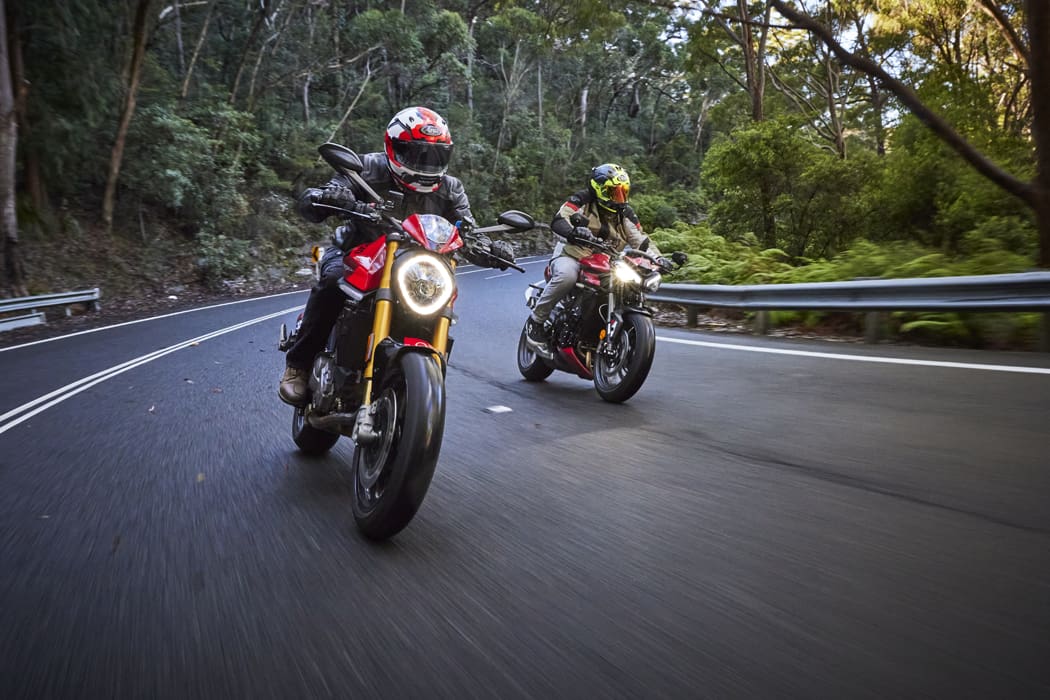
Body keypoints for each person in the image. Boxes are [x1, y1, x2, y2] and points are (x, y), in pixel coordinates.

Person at [279, 106, 513, 405]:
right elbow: (321, 197)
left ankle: (419, 386)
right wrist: (329, 196)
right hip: (356, 252)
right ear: (394, 147)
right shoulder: (365, 169)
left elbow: (465, 228)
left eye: (434, 156)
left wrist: (490, 248)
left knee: (439, 298)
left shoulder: (451, 188)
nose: (424, 163)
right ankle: (298, 365)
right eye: (416, 153)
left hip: (416, 265)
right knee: (334, 281)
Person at [524, 163, 684, 354]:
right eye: (614, 192)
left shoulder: (625, 213)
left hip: (606, 262)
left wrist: (658, 259)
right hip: (572, 254)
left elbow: (641, 240)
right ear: (599, 188)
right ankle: (536, 322)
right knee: (567, 276)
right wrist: (574, 232)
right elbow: (560, 219)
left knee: (630, 286)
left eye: (623, 192)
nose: (619, 197)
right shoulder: (582, 200)